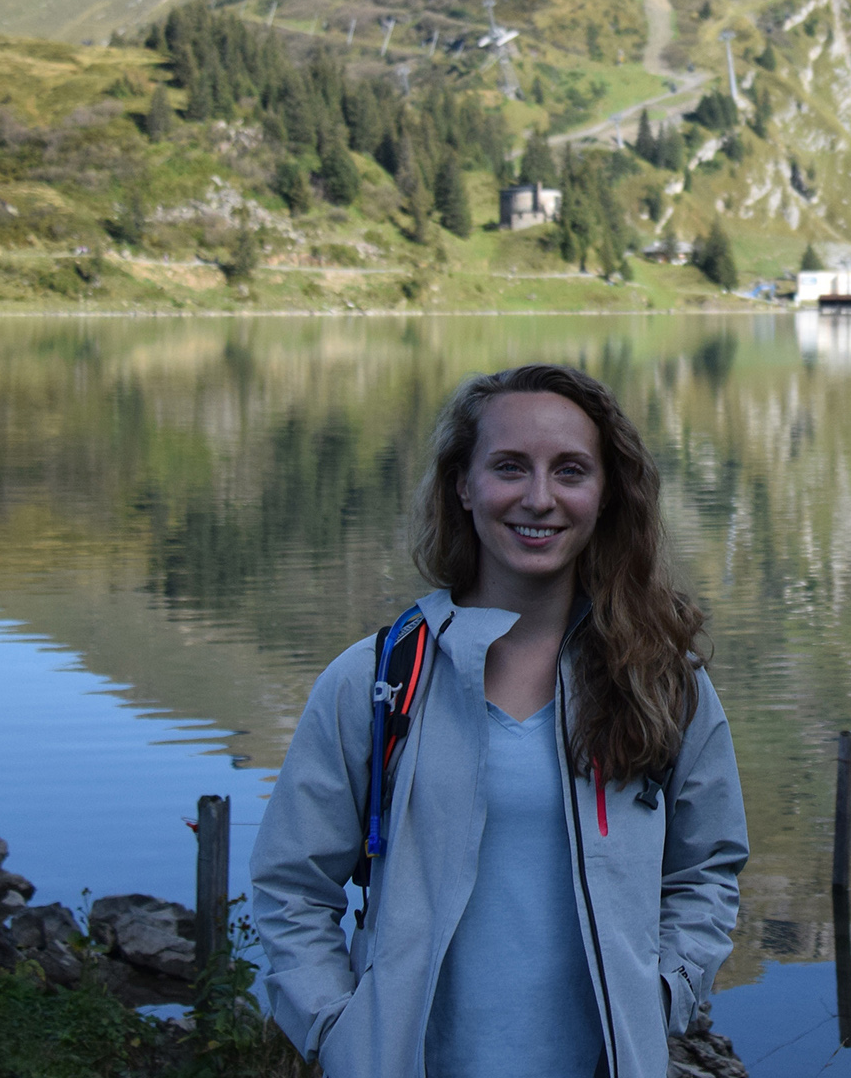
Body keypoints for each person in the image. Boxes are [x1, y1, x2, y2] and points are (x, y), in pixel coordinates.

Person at [252, 364, 748, 1078]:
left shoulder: (664, 683)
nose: (539, 498)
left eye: (570, 470)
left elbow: (707, 868)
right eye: (510, 466)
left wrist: (661, 992)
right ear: (463, 483)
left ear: (606, 494)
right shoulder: (377, 681)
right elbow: (291, 886)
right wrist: (338, 1030)